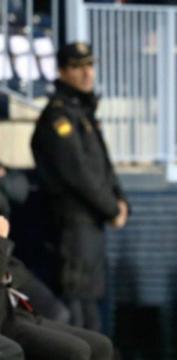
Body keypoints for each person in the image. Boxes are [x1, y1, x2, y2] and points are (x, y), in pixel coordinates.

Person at [30, 42, 129, 331]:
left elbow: (104, 166)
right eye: (77, 67)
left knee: (91, 299)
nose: (87, 73)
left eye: (89, 65)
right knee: (76, 304)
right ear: (62, 72)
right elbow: (78, 173)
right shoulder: (58, 116)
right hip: (72, 222)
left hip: (91, 221)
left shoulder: (81, 112)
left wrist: (122, 201)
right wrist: (112, 208)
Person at [0, 216, 113, 360]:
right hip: (4, 322)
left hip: (15, 308)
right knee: (76, 351)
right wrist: (2, 241)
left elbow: (13, 269)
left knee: (102, 345)